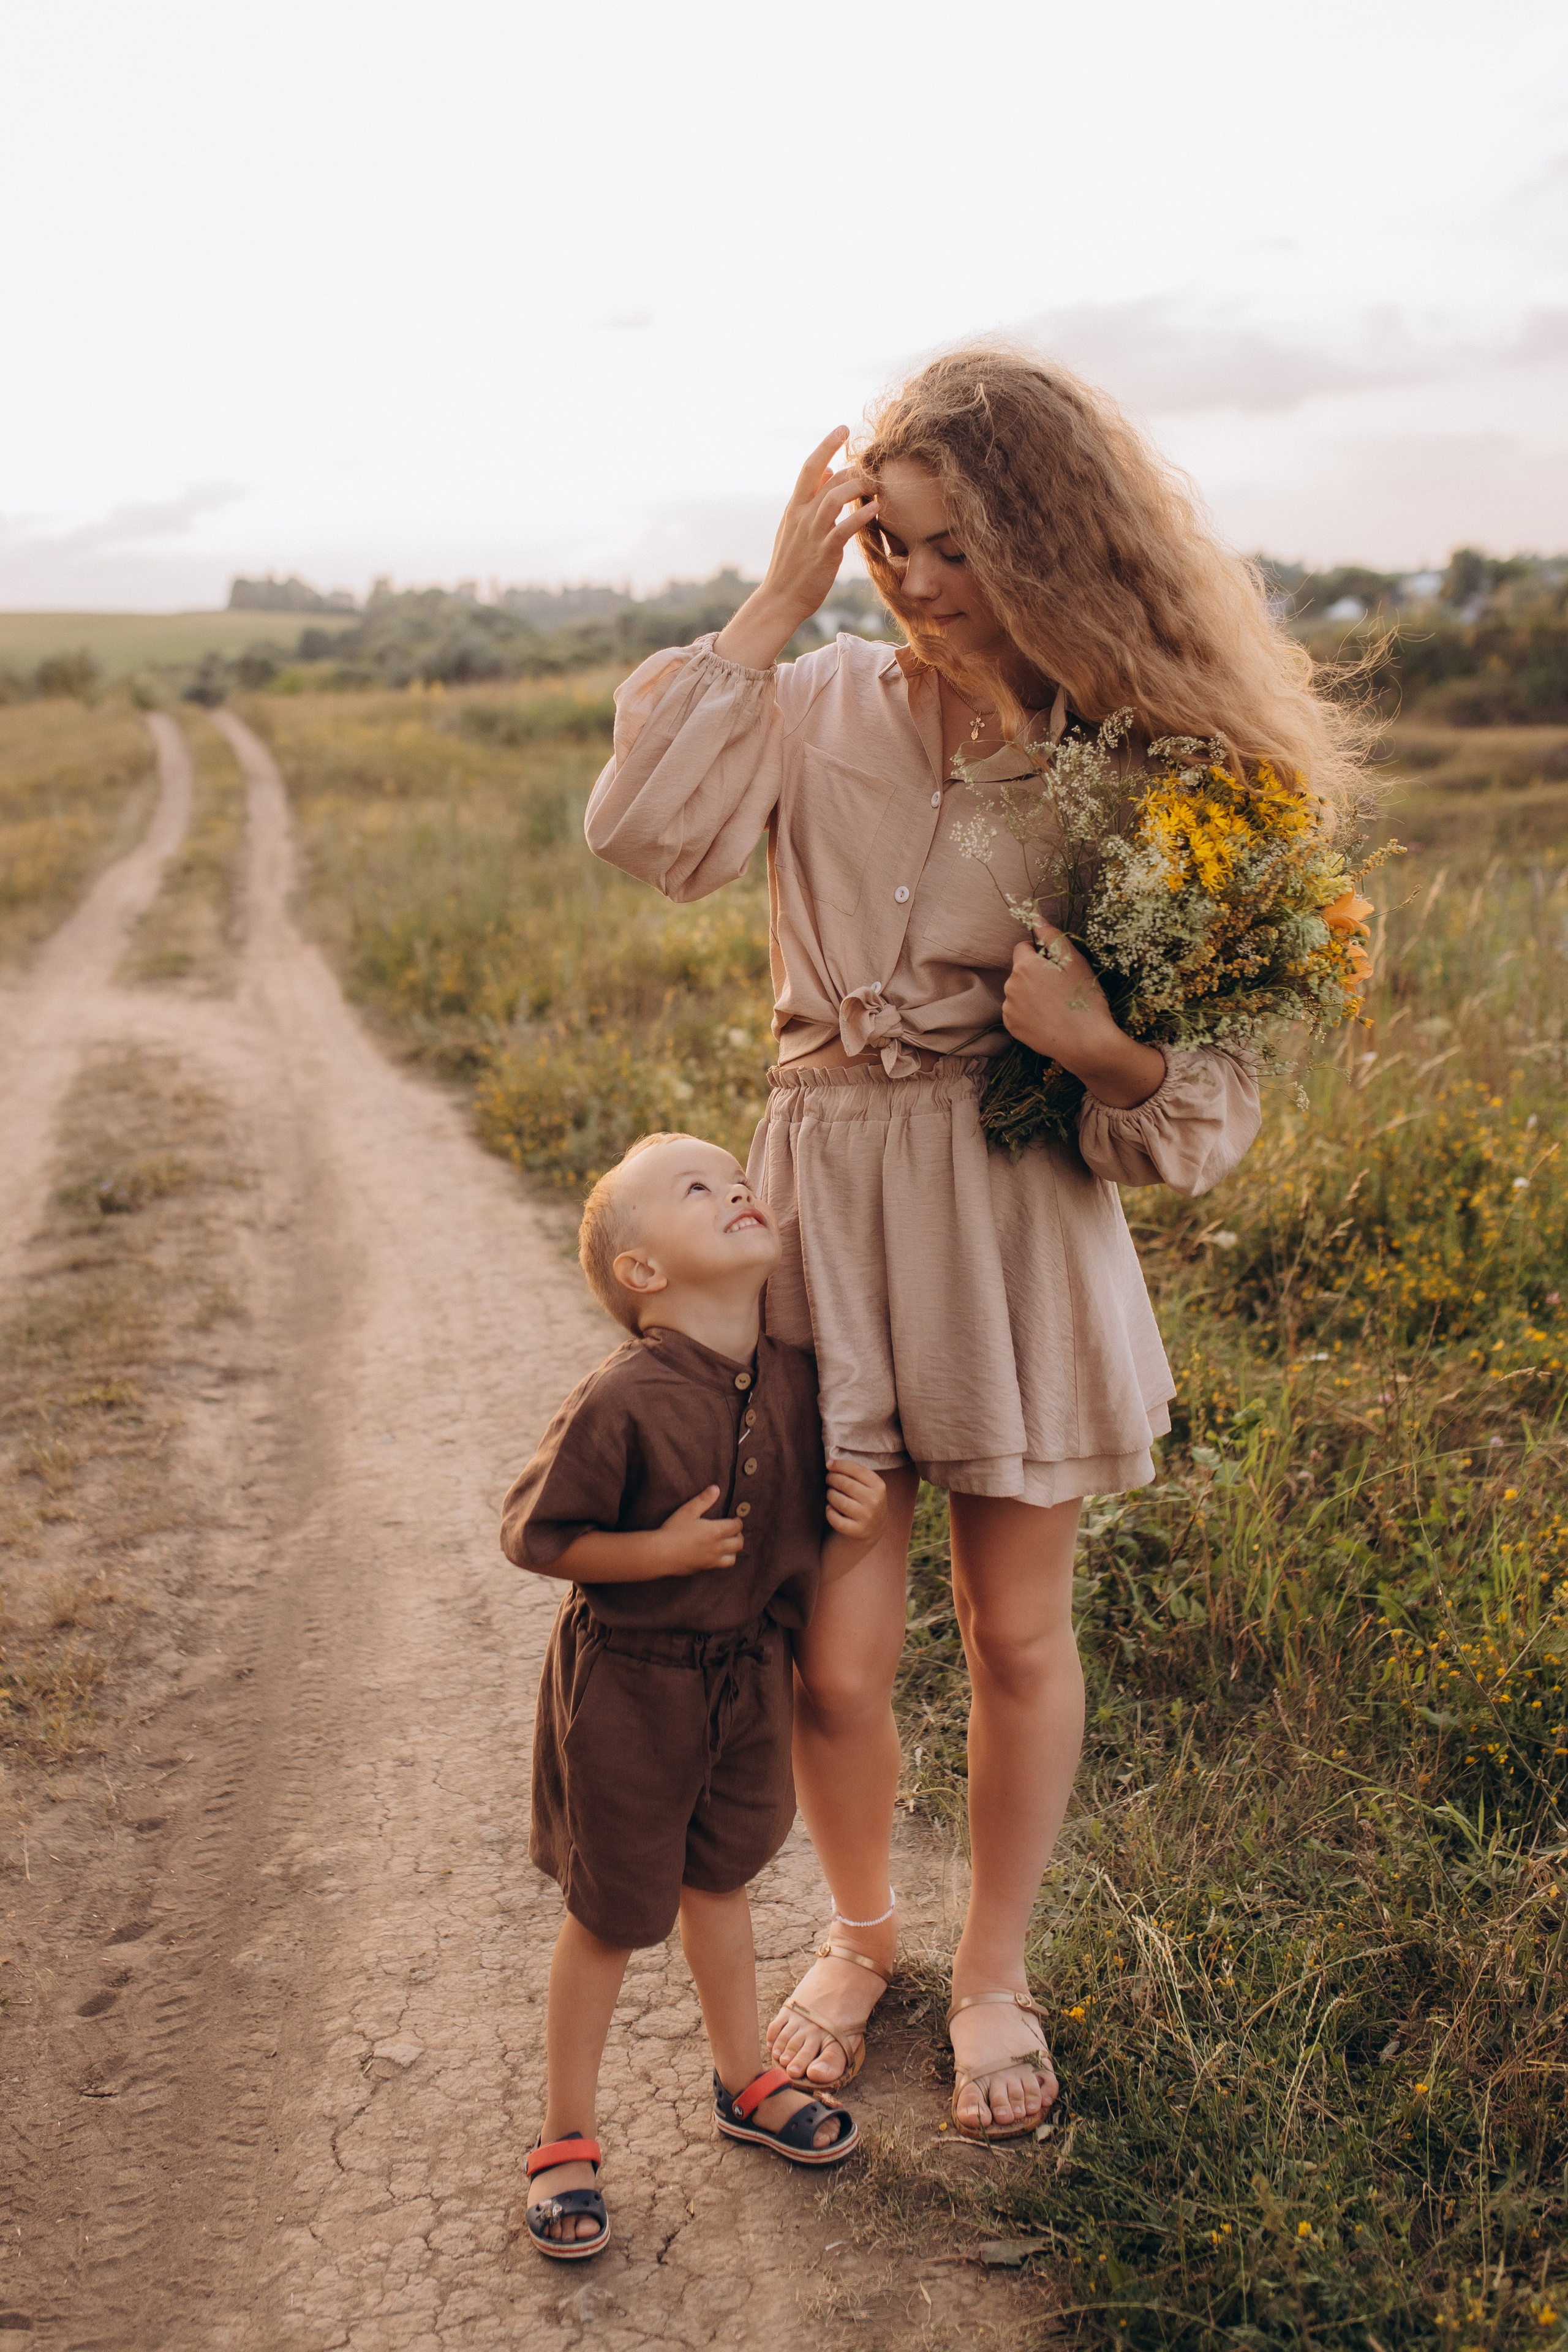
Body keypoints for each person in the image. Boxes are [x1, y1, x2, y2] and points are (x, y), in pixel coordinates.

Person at [584, 345, 1367, 2141]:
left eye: (954, 551)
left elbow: (1205, 1096)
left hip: (1013, 1212)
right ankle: (862, 1935)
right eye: (891, 545)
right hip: (830, 1203)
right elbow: (644, 836)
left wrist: (1102, 1047)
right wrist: (780, 601)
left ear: (1055, 548)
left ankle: (995, 1970)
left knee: (1018, 1636)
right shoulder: (819, 698)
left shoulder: (1155, 770)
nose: (917, 586)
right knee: (831, 1652)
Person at [502, 1131, 888, 2259]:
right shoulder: (621, 1396)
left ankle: (744, 2081)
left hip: (746, 1690)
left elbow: (793, 1547)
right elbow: (537, 1535)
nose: (734, 1190)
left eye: (737, 1179)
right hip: (631, 1691)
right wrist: (652, 1555)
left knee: (721, 1884)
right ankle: (565, 2134)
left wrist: (850, 1533)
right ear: (642, 1273)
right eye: (695, 1188)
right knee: (612, 1914)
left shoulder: (799, 1379)